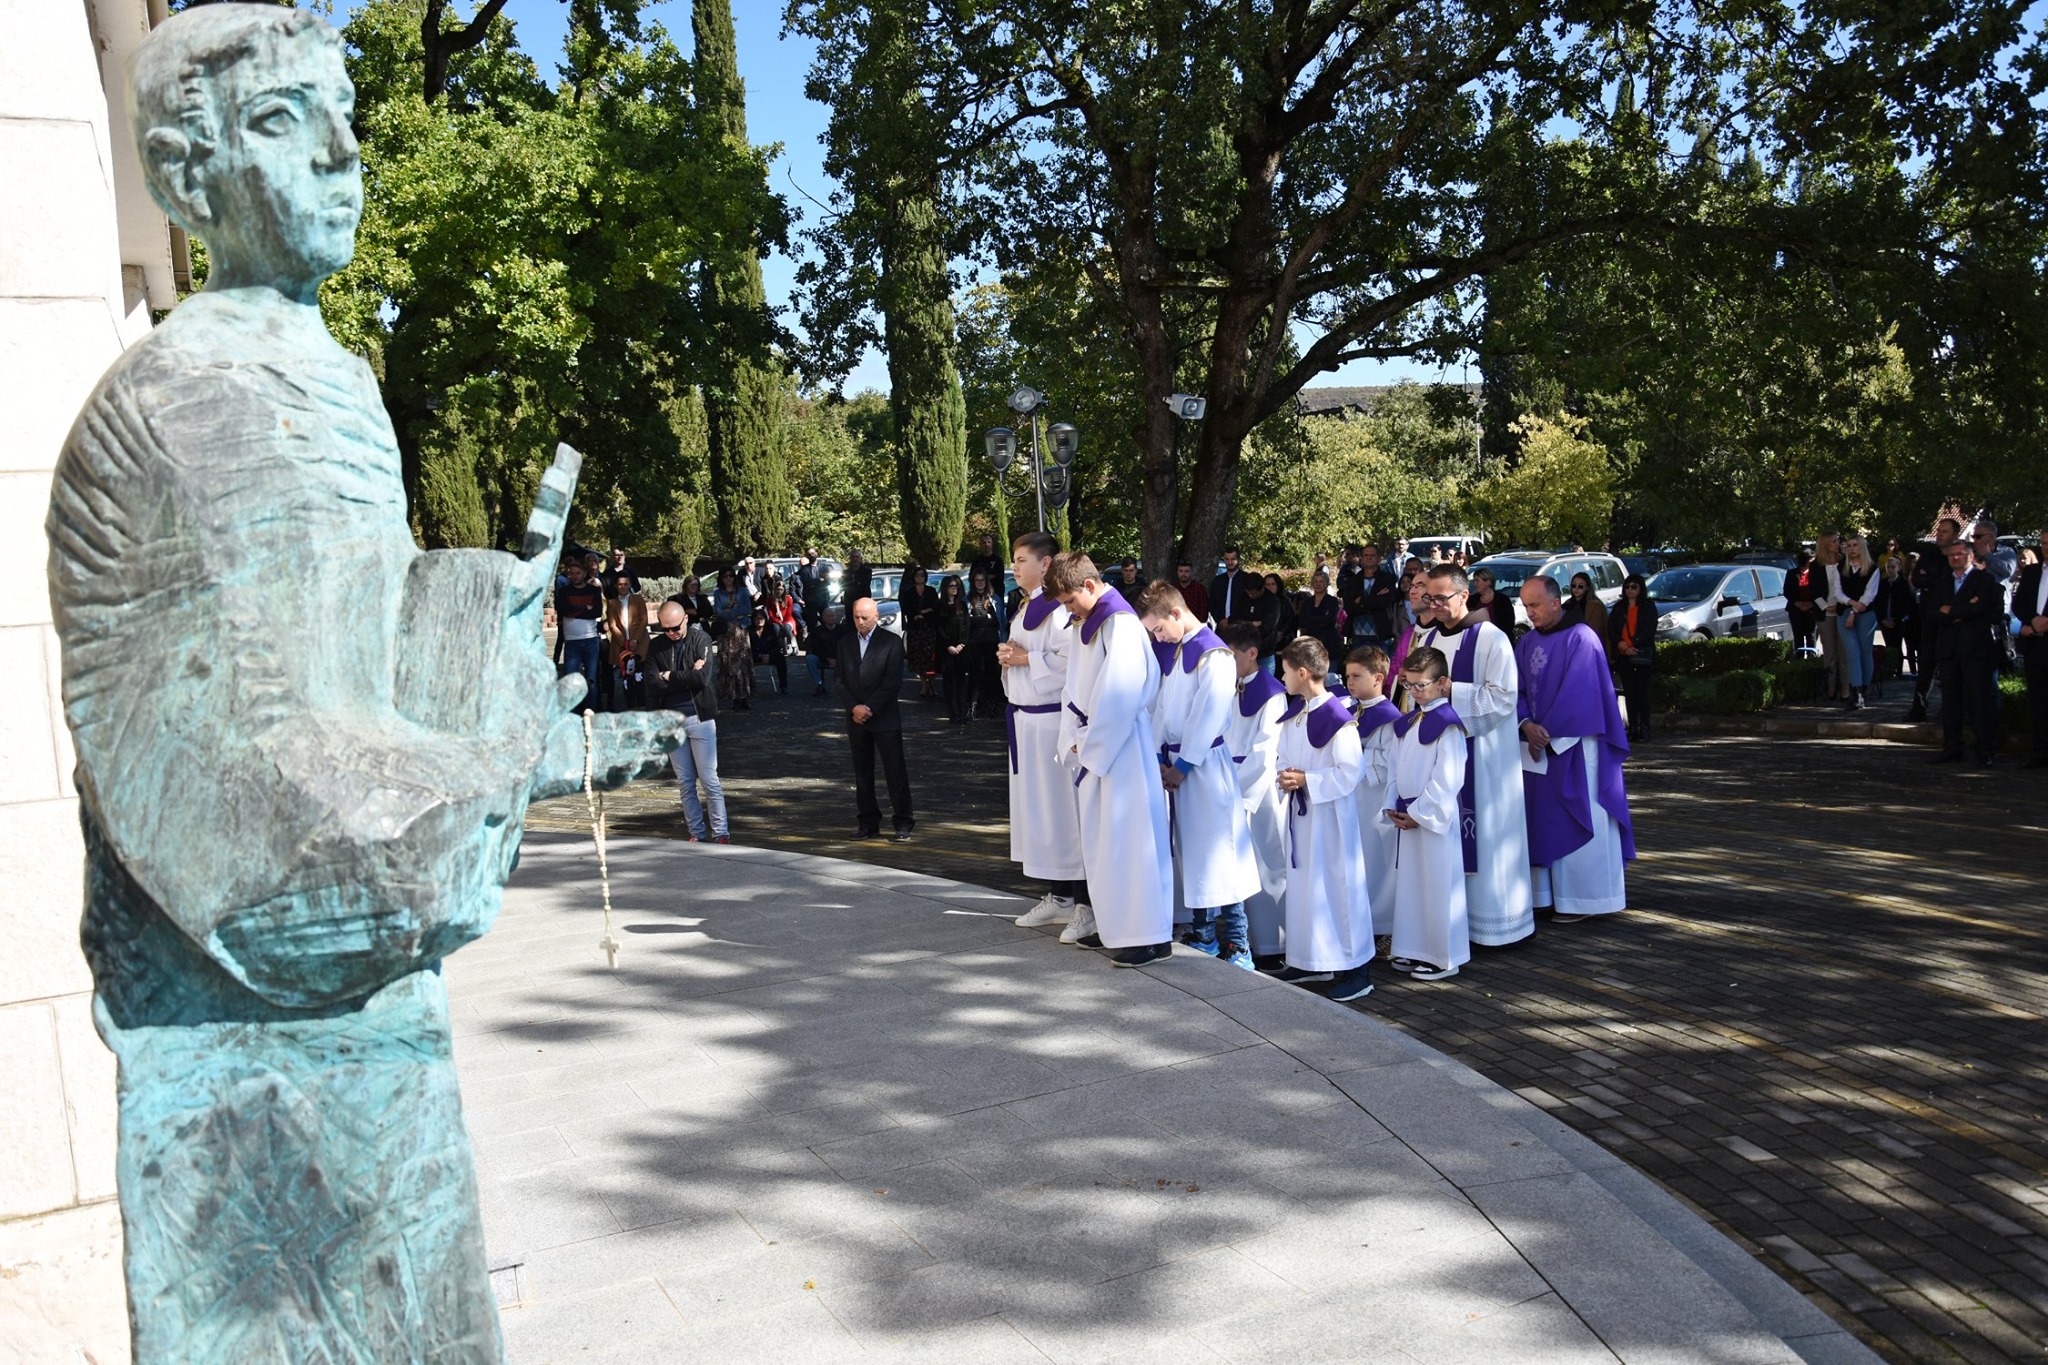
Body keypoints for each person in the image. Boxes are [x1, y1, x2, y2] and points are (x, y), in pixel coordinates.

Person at [1048, 551, 1175, 966]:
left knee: (1129, 841)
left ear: (1089, 585)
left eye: (1070, 601)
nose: (1069, 610)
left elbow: (1121, 692)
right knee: (1105, 844)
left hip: (1120, 748)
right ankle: (1116, 926)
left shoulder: (1119, 623)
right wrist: (1073, 736)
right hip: (1098, 742)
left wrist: (1087, 743)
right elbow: (1075, 688)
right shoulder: (1089, 621)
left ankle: (1147, 936)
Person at [1137, 582, 1262, 970]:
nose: (1158, 637)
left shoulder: (1215, 655)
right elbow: (1161, 708)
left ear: (1176, 613)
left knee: (1220, 852)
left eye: (1159, 628)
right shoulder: (1179, 651)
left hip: (1204, 766)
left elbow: (1208, 714)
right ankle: (1204, 932)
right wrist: (1157, 754)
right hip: (1178, 764)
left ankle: (1238, 942)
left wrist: (1183, 766)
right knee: (1192, 852)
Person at [1410, 564, 1534, 947]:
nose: (1434, 604)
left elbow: (1504, 698)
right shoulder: (1430, 637)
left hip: (1485, 759)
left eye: (1441, 597)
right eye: (1428, 597)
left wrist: (1453, 691)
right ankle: (1453, 925)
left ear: (1464, 595)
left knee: (1489, 838)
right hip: (1444, 758)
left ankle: (1496, 926)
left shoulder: (1491, 638)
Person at [1518, 576, 1635, 922]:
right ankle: (1545, 896)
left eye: (1535, 605)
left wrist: (1545, 735)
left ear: (1556, 602)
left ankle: (1584, 900)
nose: (1529, 613)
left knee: (1583, 816)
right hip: (1538, 746)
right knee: (1542, 818)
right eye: (1525, 606)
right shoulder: (1526, 642)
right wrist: (1525, 725)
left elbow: (1582, 694)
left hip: (1577, 746)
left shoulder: (1582, 638)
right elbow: (1515, 690)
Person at [1270, 639, 1375, 1001]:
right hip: (1303, 818)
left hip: (1331, 821)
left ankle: (1357, 970)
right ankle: (1309, 959)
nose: (1281, 677)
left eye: (1285, 671)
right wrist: (1286, 776)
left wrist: (1306, 780)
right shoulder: (1296, 715)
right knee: (1306, 889)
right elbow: (1283, 757)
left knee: (1339, 888)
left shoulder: (1338, 721)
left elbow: (1350, 773)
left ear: (1302, 673)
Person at [998, 533, 1090, 929]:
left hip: (1052, 722)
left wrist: (1025, 659)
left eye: (1022, 560)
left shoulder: (1059, 609)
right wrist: (1011, 658)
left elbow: (1072, 663)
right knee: (1041, 812)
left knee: (1064, 812)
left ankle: (1084, 902)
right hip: (1026, 721)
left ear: (1046, 563)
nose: (1014, 567)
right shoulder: (1025, 607)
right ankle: (1061, 894)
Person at [1383, 647, 1469, 981]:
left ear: (1442, 683)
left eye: (1421, 685)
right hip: (1407, 815)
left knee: (1437, 886)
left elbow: (1448, 779)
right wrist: (1392, 804)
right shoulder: (1407, 723)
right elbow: (1394, 767)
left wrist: (1419, 813)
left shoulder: (1448, 726)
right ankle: (1413, 948)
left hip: (1432, 818)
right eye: (1409, 684)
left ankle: (1443, 957)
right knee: (1411, 887)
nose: (1415, 692)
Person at [1221, 623, 1288, 966]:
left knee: (1266, 864)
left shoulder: (1272, 693)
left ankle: (1272, 946)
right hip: (1228, 781)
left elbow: (1264, 751)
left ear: (1251, 654)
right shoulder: (1230, 685)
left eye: (1231, 656)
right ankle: (1239, 940)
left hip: (1256, 791)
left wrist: (1237, 790)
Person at [645, 600, 728, 843]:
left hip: (700, 717)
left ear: (686, 620)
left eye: (675, 628)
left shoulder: (700, 639)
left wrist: (668, 676)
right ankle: (696, 833)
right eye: (665, 629)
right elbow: (652, 685)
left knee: (709, 778)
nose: (671, 633)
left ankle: (721, 832)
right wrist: (685, 676)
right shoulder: (656, 646)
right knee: (685, 782)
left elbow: (702, 679)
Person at [837, 598, 914, 838]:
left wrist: (869, 708)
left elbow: (892, 682)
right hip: (856, 718)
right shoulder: (845, 643)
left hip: (884, 717)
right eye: (856, 617)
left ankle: (903, 822)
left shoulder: (891, 642)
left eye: (865, 617)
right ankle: (868, 822)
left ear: (876, 616)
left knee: (895, 771)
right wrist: (854, 708)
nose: (860, 622)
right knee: (862, 773)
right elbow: (839, 680)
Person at [1343, 645, 1402, 955]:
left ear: (1378, 678)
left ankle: (1386, 928)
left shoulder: (1389, 718)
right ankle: (1362, 924)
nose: (1349, 682)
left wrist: (1353, 758)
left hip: (1375, 802)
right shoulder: (1352, 710)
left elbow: (1393, 762)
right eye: (1347, 676)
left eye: (1357, 676)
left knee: (1378, 865)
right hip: (1353, 799)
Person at [1928, 539, 2003, 766]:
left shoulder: (1984, 580)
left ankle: (1985, 749)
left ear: (1970, 556)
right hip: (1949, 649)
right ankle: (1952, 747)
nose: (1955, 558)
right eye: (1951, 555)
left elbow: (1982, 610)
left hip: (1975, 649)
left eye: (1959, 554)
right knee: (1951, 701)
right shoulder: (1942, 583)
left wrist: (1952, 610)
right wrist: (1964, 610)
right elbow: (1933, 613)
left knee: (1979, 701)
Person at [1907, 518, 1965, 720]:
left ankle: (1951, 708)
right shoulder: (1928, 556)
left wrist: (1932, 581)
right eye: (1939, 530)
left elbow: (1955, 582)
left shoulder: (1959, 556)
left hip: (1952, 619)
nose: (1939, 534)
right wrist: (1939, 580)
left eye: (1945, 531)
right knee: (1927, 663)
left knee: (1952, 665)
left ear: (1955, 535)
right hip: (1930, 617)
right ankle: (1919, 707)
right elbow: (1917, 579)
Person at [1607, 574, 1658, 743]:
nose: (1630, 590)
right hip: (1623, 655)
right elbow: (1611, 629)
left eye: (1634, 587)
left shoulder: (1648, 606)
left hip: (1641, 653)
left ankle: (1645, 728)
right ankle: (1632, 728)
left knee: (1642, 692)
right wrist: (1621, 644)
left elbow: (1650, 629)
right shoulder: (1619, 607)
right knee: (1629, 692)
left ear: (1641, 588)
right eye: (1627, 587)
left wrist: (1633, 644)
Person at [1832, 535, 1881, 709]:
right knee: (1852, 652)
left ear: (1862, 547)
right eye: (1849, 546)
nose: (1852, 549)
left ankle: (1863, 689)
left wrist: (1855, 611)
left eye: (1855, 545)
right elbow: (1837, 593)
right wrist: (1851, 604)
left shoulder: (1873, 569)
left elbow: (1869, 595)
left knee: (1865, 652)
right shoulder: (1840, 568)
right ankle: (1856, 692)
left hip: (1865, 613)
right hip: (1845, 610)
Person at [2014, 529, 2048, 769]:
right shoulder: (2033, 571)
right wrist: (2031, 620)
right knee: (2038, 701)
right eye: (2044, 543)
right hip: (2035, 644)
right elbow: (2019, 603)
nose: (2046, 547)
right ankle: (2041, 752)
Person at [556, 556, 605, 712]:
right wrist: (585, 609)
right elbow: (563, 610)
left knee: (592, 680)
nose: (574, 576)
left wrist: (575, 611)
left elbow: (596, 612)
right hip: (572, 641)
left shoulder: (593, 591)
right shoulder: (564, 592)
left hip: (590, 640)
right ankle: (573, 713)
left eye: (577, 573)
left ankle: (591, 711)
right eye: (571, 573)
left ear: (584, 573)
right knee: (571, 680)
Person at [602, 569, 651, 711]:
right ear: (615, 586)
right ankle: (630, 707)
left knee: (639, 676)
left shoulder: (638, 599)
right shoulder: (612, 603)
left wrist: (635, 640)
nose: (623, 587)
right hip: (622, 646)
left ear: (630, 585)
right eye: (620, 584)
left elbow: (644, 619)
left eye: (626, 584)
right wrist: (624, 642)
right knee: (626, 678)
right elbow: (612, 625)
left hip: (639, 644)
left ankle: (642, 706)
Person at [711, 566, 754, 711]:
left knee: (743, 665)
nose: (728, 578)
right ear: (721, 578)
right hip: (726, 634)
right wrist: (735, 612)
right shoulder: (717, 593)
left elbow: (747, 609)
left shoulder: (743, 591)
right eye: (725, 576)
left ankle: (744, 698)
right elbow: (718, 612)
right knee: (729, 666)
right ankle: (734, 697)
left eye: (731, 575)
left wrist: (729, 611)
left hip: (741, 632)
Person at [966, 567, 1006, 718]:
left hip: (992, 640)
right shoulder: (968, 599)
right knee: (975, 673)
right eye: (977, 580)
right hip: (974, 641)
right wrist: (985, 619)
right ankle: (973, 706)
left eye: (982, 580)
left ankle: (992, 705)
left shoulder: (995, 599)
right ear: (973, 582)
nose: (980, 582)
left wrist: (982, 619)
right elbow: (967, 622)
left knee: (992, 673)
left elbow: (999, 621)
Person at [1815, 532, 1848, 702]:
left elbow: (1850, 587)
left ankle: (1846, 688)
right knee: (1829, 653)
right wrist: (1826, 606)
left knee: (1844, 652)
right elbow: (1813, 591)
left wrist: (1840, 606)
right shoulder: (1816, 565)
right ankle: (1831, 687)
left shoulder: (1845, 562)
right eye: (1834, 541)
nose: (1838, 544)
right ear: (1825, 544)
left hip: (1843, 610)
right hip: (1825, 613)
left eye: (1838, 541)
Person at [935, 574, 972, 724]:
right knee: (949, 681)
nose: (954, 588)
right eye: (951, 586)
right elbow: (938, 627)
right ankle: (953, 713)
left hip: (961, 648)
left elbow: (966, 625)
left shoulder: (962, 605)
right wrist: (948, 645)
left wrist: (962, 644)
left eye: (956, 585)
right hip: (946, 649)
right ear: (945, 588)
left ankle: (962, 712)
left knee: (961, 681)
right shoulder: (939, 606)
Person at [1877, 553, 1918, 685]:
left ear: (1899, 568)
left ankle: (1899, 670)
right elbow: (1877, 602)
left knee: (1898, 645)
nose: (1890, 569)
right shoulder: (1882, 583)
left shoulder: (1904, 584)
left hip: (1898, 620)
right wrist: (1882, 619)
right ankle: (1890, 670)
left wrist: (1896, 619)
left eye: (1893, 567)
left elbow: (1907, 604)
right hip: (1885, 618)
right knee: (1888, 645)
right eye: (1888, 567)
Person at [899, 565, 940, 697]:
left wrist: (922, 613)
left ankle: (932, 684)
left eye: (922, 575)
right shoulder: (909, 592)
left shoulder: (931, 591)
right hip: (915, 628)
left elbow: (935, 608)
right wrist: (917, 614)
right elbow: (906, 608)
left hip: (929, 628)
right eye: (917, 575)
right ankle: (923, 684)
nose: (920, 577)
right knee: (918, 658)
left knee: (930, 658)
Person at [757, 575, 799, 695]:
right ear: (774, 589)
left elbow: (789, 614)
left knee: (786, 628)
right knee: (775, 628)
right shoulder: (770, 599)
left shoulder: (788, 599)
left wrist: (782, 622)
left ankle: (793, 642)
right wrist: (778, 621)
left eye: (781, 589)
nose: (779, 591)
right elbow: (770, 614)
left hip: (787, 620)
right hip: (775, 621)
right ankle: (780, 645)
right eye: (777, 589)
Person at [1297, 571, 1344, 667]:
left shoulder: (1332, 601)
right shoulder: (1307, 602)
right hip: (1311, 643)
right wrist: (1321, 619)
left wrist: (1311, 619)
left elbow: (1330, 619)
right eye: (1316, 581)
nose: (1318, 584)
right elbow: (1302, 621)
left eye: (1321, 581)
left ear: (1326, 584)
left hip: (1329, 643)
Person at [1786, 549, 1824, 657]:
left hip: (1812, 609)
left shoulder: (1816, 574)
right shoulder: (1792, 573)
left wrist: (1811, 604)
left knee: (1811, 634)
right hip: (1796, 609)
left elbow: (1820, 591)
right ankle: (1799, 659)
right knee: (1798, 635)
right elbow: (1787, 591)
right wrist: (1797, 603)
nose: (1814, 562)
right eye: (1811, 559)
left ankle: (1812, 658)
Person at [805, 605, 848, 696]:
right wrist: (827, 659)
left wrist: (838, 660)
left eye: (833, 616)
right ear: (823, 618)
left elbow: (848, 647)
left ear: (836, 617)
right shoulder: (817, 631)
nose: (831, 618)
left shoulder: (843, 630)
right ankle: (819, 684)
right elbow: (815, 649)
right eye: (828, 616)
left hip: (841, 658)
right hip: (823, 658)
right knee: (810, 659)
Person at [1210, 546, 1259, 626]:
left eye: (1233, 559)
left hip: (1242, 625)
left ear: (1238, 559)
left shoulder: (1247, 579)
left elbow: (1251, 602)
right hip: (1221, 626)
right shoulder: (1217, 581)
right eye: (1227, 559)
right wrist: (1220, 620)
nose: (1229, 562)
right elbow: (1212, 603)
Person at [1563, 571, 1609, 638]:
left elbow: (1598, 631)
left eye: (1580, 586)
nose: (1576, 588)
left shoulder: (1596, 606)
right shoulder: (1567, 603)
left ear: (1587, 587)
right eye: (1574, 585)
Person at [1472, 567, 1516, 634]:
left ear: (1488, 582)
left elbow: (1509, 623)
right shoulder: (1472, 600)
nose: (1475, 584)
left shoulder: (1503, 600)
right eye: (1474, 581)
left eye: (1477, 581)